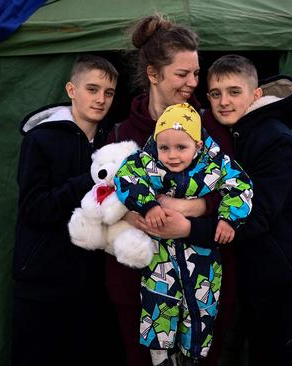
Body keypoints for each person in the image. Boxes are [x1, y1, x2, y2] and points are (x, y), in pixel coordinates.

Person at [105, 14, 236, 366]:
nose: (193, 82)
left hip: (200, 286)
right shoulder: (121, 135)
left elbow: (231, 190)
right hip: (137, 288)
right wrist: (129, 210)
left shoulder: (209, 129)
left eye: (195, 72)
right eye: (182, 74)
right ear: (153, 74)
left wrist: (191, 209)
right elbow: (101, 199)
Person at [205, 54, 292, 366]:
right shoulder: (235, 136)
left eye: (234, 92)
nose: (224, 102)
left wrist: (189, 221)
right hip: (257, 281)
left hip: (290, 284)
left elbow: (256, 213)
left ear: (255, 94)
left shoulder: (275, 140)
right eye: (216, 93)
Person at [113, 103, 253, 365]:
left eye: (181, 147)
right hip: (160, 259)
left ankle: (193, 355)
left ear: (198, 146)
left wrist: (228, 220)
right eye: (164, 147)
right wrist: (149, 204)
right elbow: (126, 177)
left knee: (201, 307)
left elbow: (241, 186)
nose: (172, 155)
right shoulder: (148, 162)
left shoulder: (214, 165)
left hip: (202, 259)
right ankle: (160, 356)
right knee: (158, 301)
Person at [12, 54, 121, 365]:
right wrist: (89, 180)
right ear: (72, 90)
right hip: (43, 278)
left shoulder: (112, 141)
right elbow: (34, 208)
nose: (100, 99)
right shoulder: (41, 139)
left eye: (109, 93)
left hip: (92, 282)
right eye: (92, 89)